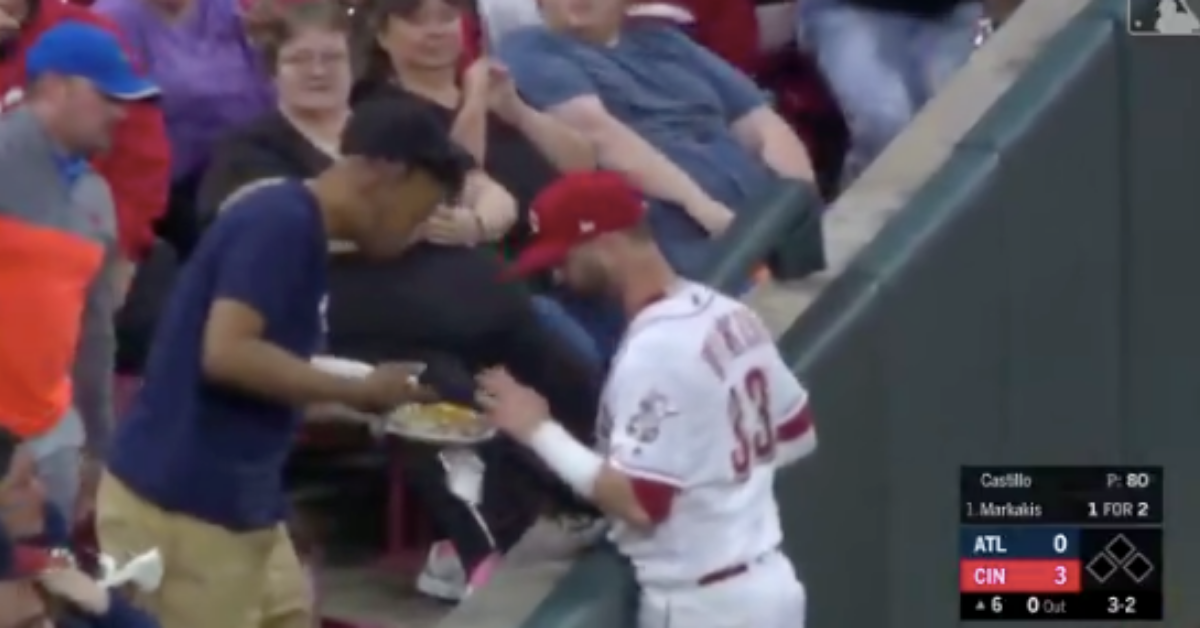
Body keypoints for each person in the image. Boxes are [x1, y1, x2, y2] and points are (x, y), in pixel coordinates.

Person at [194, 0, 603, 601]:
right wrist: (397, 222)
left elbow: (492, 195)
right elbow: (267, 220)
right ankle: (485, 547)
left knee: (547, 350)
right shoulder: (251, 146)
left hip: (464, 297)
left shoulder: (388, 123)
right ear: (272, 71)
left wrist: (468, 224)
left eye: (329, 57)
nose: (316, 71)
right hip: (340, 315)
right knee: (432, 380)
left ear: (353, 60)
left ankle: (588, 498)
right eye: (299, 59)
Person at [94, 98, 472, 628]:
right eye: (422, 206)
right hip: (182, 503)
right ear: (387, 174)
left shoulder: (303, 231)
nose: (421, 225)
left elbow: (262, 373)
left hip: (244, 501)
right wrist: (355, 393)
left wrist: (365, 405)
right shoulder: (281, 223)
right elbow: (227, 354)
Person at [476, 171, 819, 628]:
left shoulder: (658, 350)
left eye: (563, 257)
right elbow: (796, 435)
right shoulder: (725, 311)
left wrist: (536, 429)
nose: (556, 273)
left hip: (706, 607)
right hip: (769, 586)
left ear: (605, 244)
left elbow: (640, 503)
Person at [353, 0, 600, 359]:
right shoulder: (386, 111)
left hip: (573, 263)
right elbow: (462, 178)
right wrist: (473, 102)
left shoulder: (493, 93)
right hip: (508, 281)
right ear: (383, 35)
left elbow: (582, 164)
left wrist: (518, 112)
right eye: (416, 21)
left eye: (446, 18)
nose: (435, 31)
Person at [496, 0, 814, 279]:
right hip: (678, 225)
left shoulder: (666, 40)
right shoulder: (531, 48)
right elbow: (599, 133)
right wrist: (702, 207)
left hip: (757, 209)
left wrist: (801, 208)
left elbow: (762, 123)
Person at [0, 22, 160, 523]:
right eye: (106, 95)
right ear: (53, 88)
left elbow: (93, 333)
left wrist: (99, 446)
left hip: (53, 441)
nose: (120, 112)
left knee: (48, 593)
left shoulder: (95, 196)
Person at [0, 0, 171, 292]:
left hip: (78, 242)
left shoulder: (83, 34)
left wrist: (120, 247)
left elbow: (142, 158)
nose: (118, 111)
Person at [94, 0, 275, 260]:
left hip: (250, 163)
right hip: (170, 186)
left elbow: (267, 85)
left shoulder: (229, 10)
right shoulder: (115, 18)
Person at [798, 0, 983, 185]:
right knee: (887, 121)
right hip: (845, 9)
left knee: (964, 118)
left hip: (945, 12)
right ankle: (866, 201)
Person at [0, 427, 160, 628]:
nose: (40, 490)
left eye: (35, 474)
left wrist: (103, 602)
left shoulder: (49, 525)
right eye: (21, 485)